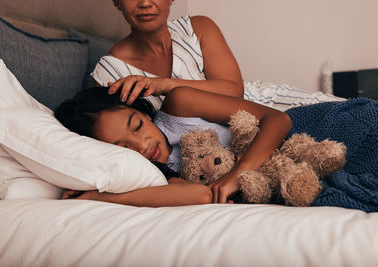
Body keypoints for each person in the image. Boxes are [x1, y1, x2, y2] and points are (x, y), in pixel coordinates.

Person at [55, 86, 378, 212]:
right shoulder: (154, 175)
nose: (143, 145)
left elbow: (276, 119)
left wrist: (239, 172)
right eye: (122, 147)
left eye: (137, 126)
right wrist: (99, 197)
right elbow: (200, 196)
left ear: (142, 111)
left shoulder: (179, 106)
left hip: (316, 129)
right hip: (291, 168)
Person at [91, 0, 244, 110]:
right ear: (117, 2)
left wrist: (164, 85)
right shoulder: (109, 72)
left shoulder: (198, 28)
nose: (145, 3)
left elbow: (235, 92)